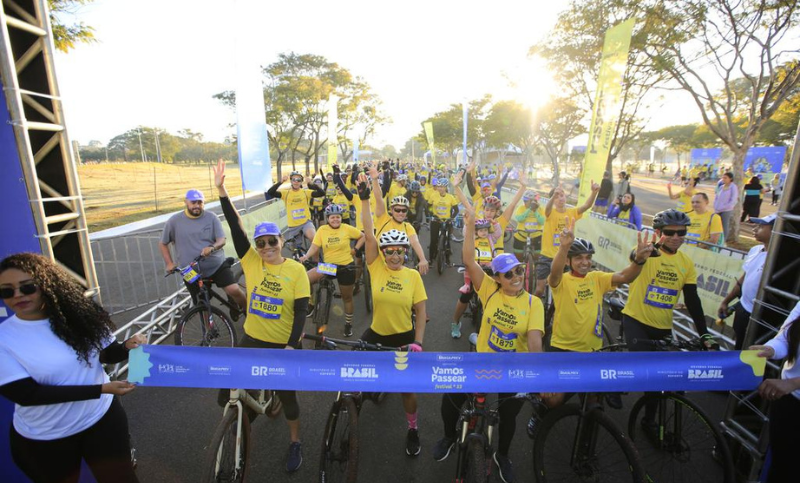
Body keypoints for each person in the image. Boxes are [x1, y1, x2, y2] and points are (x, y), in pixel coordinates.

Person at [0, 253, 145, 483]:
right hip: (45, 438)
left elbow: (107, 354)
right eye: (6, 291)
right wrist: (101, 389)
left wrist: (127, 346)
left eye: (27, 287)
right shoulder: (4, 339)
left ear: (47, 283)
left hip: (102, 420)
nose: (17, 295)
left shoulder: (80, 315)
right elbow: (27, 394)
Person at [433, 210, 544, 483]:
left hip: (513, 368)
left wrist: (538, 375)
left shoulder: (533, 303)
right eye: (508, 274)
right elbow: (469, 259)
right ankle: (449, 436)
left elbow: (534, 341)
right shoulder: (489, 290)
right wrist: (470, 225)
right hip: (482, 361)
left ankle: (502, 455)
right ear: (497, 278)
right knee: (450, 401)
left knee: (509, 417)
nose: (516, 277)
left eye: (519, 270)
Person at [214, 160, 309, 472]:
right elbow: (236, 226)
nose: (267, 247)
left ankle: (295, 442)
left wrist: (293, 345)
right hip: (252, 337)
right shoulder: (253, 262)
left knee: (288, 398)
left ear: (281, 242)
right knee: (227, 393)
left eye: (272, 241)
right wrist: (221, 191)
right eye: (261, 243)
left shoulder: (296, 270)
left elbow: (299, 312)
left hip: (283, 343)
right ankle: (241, 418)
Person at [622, 209, 716, 436]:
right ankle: (616, 385)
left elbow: (693, 301)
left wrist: (705, 334)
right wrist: (639, 256)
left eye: (681, 232)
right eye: (669, 232)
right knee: (646, 372)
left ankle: (649, 420)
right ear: (658, 232)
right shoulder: (648, 252)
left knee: (660, 380)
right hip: (636, 319)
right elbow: (636, 258)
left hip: (662, 326)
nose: (676, 237)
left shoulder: (686, 263)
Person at [357, 173, 428, 457]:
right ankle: (352, 406)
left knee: (407, 391)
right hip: (375, 334)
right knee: (352, 371)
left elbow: (421, 311)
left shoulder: (412, 277)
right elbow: (369, 230)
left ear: (405, 253)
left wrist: (418, 342)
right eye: (390, 251)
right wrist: (364, 200)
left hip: (403, 338)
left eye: (400, 251)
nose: (395, 256)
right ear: (383, 252)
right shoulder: (375, 266)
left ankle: (413, 429)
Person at [159, 188, 245, 315]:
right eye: (193, 203)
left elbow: (221, 240)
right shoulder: (174, 221)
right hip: (190, 271)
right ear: (186, 202)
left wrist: (212, 247)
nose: (197, 206)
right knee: (201, 303)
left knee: (233, 289)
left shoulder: (211, 217)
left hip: (216, 265)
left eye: (200, 202)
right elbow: (163, 243)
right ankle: (208, 332)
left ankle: (249, 312)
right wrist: (169, 263)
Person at [749, 301, 800, 483]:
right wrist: (769, 349)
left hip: (789, 389)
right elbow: (785, 338)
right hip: (788, 402)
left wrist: (795, 383)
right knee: (781, 467)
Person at [298, 204, 364, 337]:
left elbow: (362, 236)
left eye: (338, 217)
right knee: (304, 278)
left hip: (346, 266)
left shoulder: (346, 228)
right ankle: (310, 303)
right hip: (329, 266)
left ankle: (348, 324)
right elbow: (315, 246)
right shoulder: (322, 230)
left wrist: (355, 249)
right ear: (327, 218)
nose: (335, 220)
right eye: (332, 217)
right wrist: (306, 256)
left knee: (347, 298)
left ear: (341, 218)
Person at [718, 214, 774, 349]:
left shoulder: (780, 260)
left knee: (753, 352)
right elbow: (744, 278)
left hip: (761, 317)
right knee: (739, 345)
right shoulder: (755, 250)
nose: (755, 228)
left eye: (761, 226)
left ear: (775, 231)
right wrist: (726, 301)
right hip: (743, 309)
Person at [536, 182, 600, 298]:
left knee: (564, 290)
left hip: (564, 257)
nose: (560, 198)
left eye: (562, 195)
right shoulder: (550, 212)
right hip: (547, 256)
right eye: (556, 196)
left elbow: (586, 206)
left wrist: (594, 193)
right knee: (539, 290)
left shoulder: (572, 213)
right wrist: (552, 197)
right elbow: (548, 209)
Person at [371, 165, 429, 274]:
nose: (401, 213)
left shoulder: (408, 227)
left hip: (397, 265)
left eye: (404, 210)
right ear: (391, 210)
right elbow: (379, 198)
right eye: (397, 210)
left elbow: (415, 242)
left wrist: (422, 259)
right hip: (380, 265)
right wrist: (375, 180)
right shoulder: (383, 218)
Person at [266, 171, 326, 247]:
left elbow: (322, 193)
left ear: (301, 182)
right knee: (295, 250)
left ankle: (316, 259)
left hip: (305, 223)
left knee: (314, 240)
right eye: (294, 179)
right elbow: (270, 192)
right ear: (291, 181)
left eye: (299, 180)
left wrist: (311, 183)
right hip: (293, 226)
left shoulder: (305, 192)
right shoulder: (286, 193)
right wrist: (281, 182)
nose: (296, 182)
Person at [428, 178, 460, 265]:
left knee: (447, 240)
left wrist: (451, 218)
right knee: (433, 240)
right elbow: (428, 206)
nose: (440, 188)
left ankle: (447, 259)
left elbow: (456, 210)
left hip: (447, 221)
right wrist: (432, 214)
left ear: (446, 187)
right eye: (438, 186)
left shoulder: (450, 197)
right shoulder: (433, 195)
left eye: (442, 187)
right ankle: (431, 259)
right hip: (436, 220)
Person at [511, 191, 545, 262]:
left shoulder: (540, 209)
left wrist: (535, 211)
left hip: (536, 235)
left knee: (537, 257)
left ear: (533, 201)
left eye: (526, 201)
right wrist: (529, 210)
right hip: (521, 234)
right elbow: (520, 219)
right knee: (518, 257)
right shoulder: (521, 208)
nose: (524, 202)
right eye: (524, 200)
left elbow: (542, 222)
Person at [714, 172, 738, 241]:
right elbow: (717, 197)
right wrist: (715, 205)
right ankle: (716, 239)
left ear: (730, 179)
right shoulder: (721, 187)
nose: (723, 179)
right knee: (716, 224)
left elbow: (733, 199)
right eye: (723, 177)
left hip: (726, 210)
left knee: (724, 225)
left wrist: (726, 207)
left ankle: (723, 240)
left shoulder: (733, 187)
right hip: (717, 209)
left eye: (725, 178)